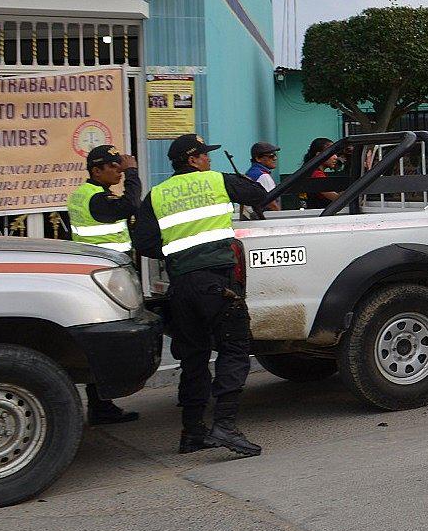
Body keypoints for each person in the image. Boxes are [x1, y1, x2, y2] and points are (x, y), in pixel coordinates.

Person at [132, 133, 269, 457]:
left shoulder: (157, 194)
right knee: (235, 349)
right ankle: (225, 425)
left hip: (181, 287)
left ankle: (192, 432)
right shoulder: (214, 181)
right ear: (193, 160)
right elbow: (258, 194)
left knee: (193, 358)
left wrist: (179, 253)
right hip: (217, 283)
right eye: (205, 155)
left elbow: (145, 244)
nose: (209, 159)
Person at [67, 144, 142, 426]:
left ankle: (102, 405)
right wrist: (133, 172)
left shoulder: (87, 194)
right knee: (107, 343)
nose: (118, 171)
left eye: (118, 166)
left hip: (99, 271)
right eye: (112, 167)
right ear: (96, 171)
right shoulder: (96, 199)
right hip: (104, 275)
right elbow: (131, 205)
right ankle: (101, 406)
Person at [300, 137, 340, 209]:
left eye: (336, 154)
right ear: (319, 155)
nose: (336, 157)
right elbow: (338, 199)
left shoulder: (309, 171)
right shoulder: (316, 175)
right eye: (332, 154)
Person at [245, 141, 281, 211]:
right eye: (271, 156)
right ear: (258, 158)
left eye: (275, 155)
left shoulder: (251, 173)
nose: (275, 158)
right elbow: (272, 205)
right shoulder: (263, 176)